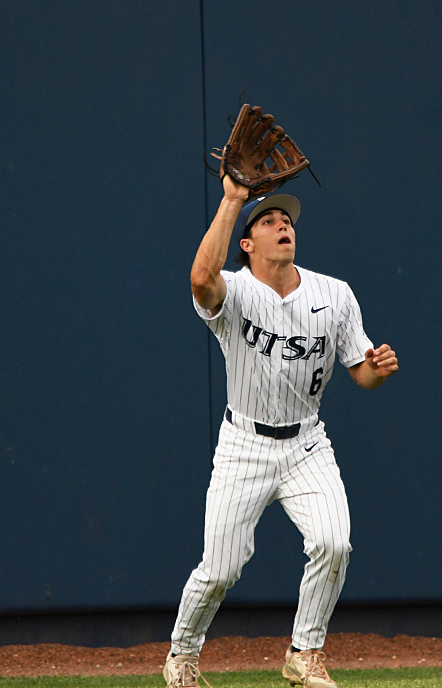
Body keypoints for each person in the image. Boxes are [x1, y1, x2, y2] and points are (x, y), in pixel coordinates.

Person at [163, 175, 399, 688]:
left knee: (334, 542)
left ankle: (304, 652)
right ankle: (182, 656)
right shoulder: (237, 291)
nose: (282, 226)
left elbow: (362, 373)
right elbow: (201, 279)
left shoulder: (334, 294)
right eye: (268, 222)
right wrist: (232, 202)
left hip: (306, 444)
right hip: (244, 445)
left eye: (286, 220)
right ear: (247, 244)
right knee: (221, 569)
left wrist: (377, 369)